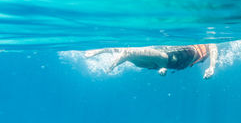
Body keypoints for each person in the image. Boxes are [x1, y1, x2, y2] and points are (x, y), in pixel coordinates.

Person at [84, 44, 218, 79]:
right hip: (173, 57)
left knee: (131, 57)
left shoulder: (210, 40)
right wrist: (211, 67)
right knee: (129, 54)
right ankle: (104, 51)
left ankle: (107, 54)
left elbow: (213, 49)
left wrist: (212, 67)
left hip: (174, 61)